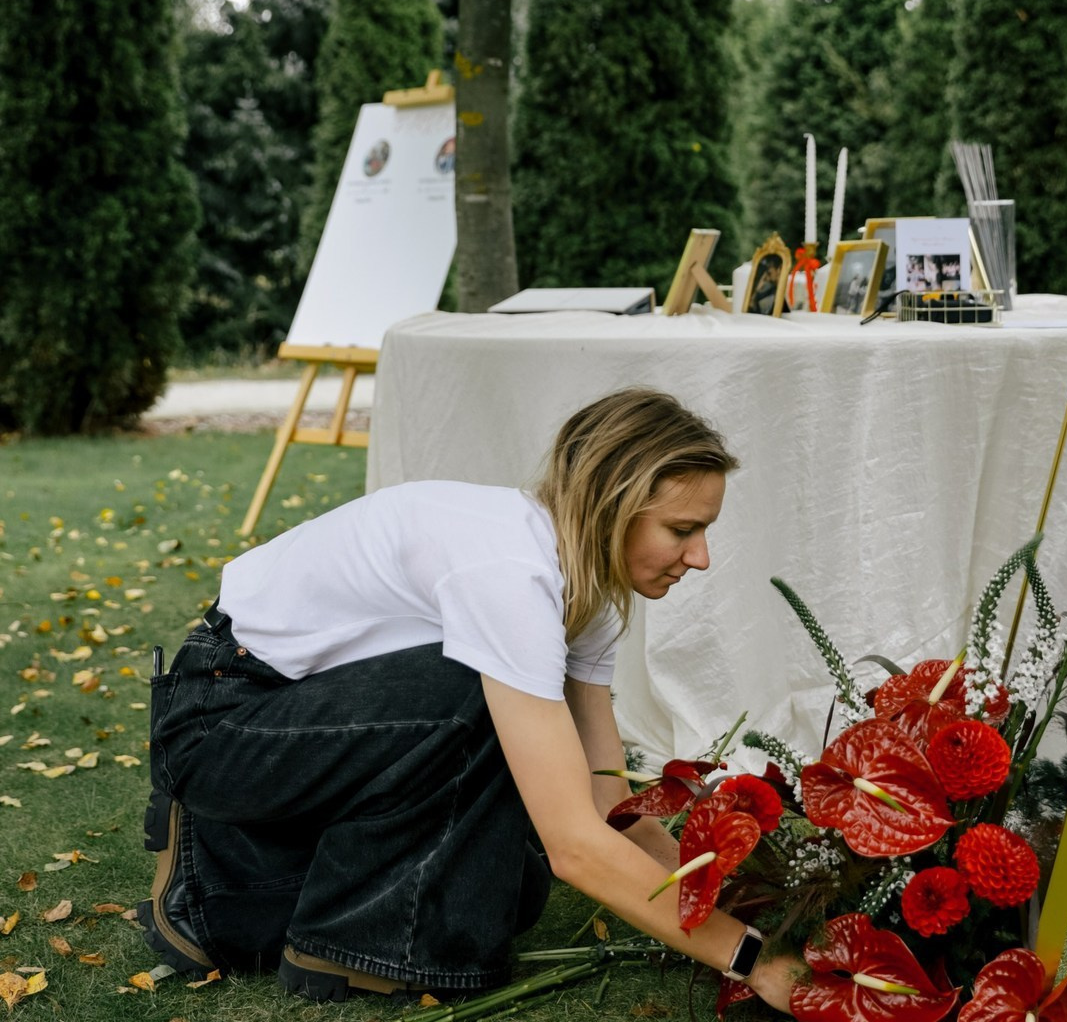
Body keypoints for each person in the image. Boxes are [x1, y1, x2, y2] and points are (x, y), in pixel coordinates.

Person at [139, 388, 799, 1010]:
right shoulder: (509, 572)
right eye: (683, 528)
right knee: (486, 703)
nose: (702, 557)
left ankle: (245, 865)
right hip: (222, 721)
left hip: (307, 718)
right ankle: (234, 895)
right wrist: (753, 961)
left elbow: (606, 800)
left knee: (509, 895)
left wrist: (726, 907)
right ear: (612, 504)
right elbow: (574, 843)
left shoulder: (585, 582)